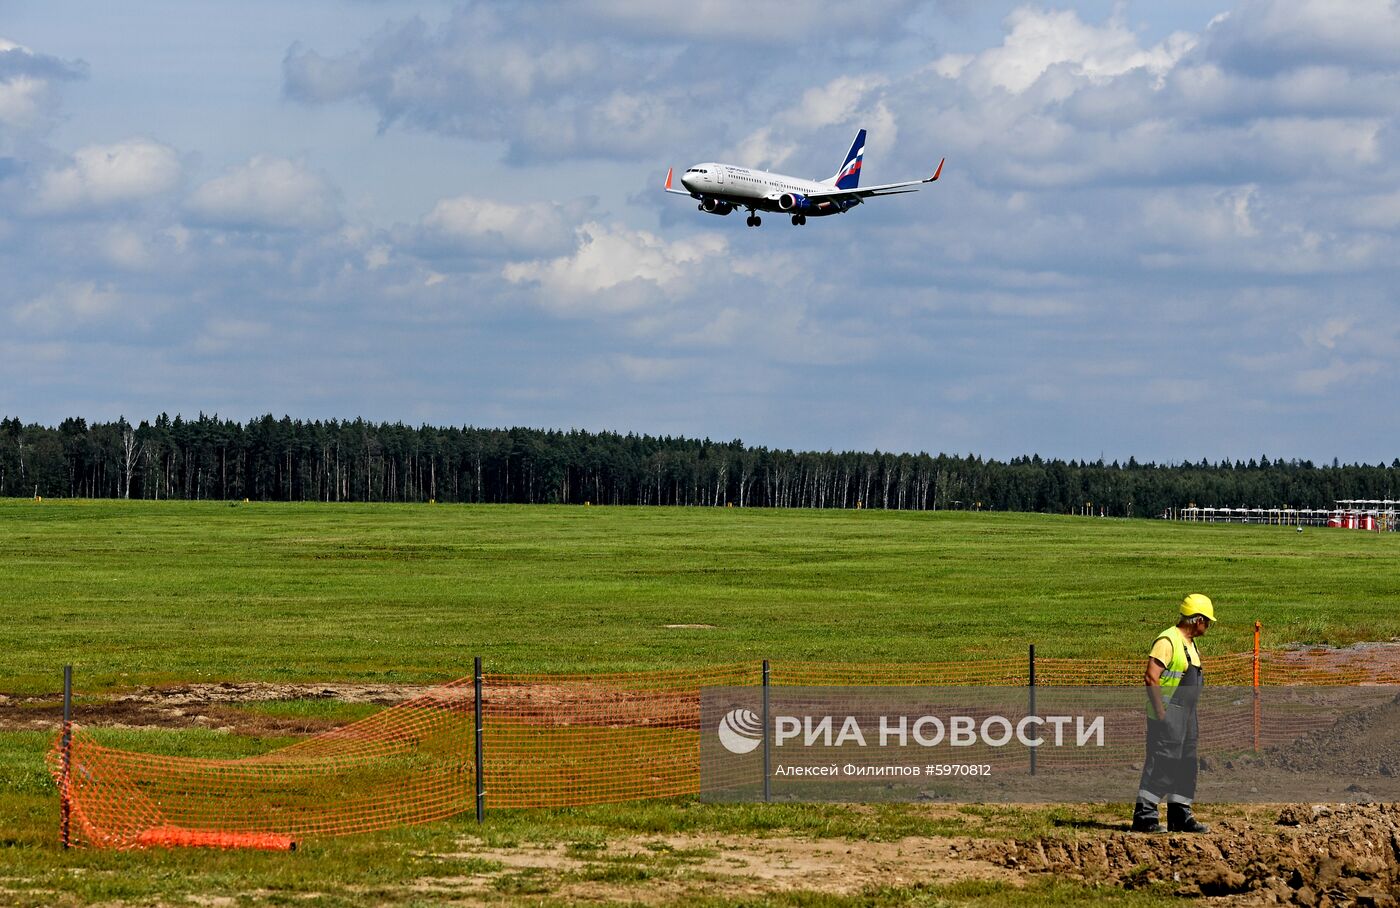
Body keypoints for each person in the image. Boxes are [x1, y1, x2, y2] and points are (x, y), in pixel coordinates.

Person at [1131, 593, 1215, 833]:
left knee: (1187, 764)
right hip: (1168, 713)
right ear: (1197, 620)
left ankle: (1180, 815)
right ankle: (1145, 816)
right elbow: (1151, 677)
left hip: (1188, 715)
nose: (1208, 625)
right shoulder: (1167, 641)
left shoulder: (1190, 644)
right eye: (1206, 621)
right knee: (1162, 763)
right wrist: (1161, 713)